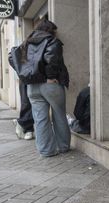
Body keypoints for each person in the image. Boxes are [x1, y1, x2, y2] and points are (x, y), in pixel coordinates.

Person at [9, 19, 70, 157]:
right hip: (50, 85)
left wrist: (23, 74)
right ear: (49, 30)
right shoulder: (52, 41)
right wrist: (50, 76)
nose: (56, 33)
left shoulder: (26, 43)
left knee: (40, 119)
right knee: (59, 115)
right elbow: (52, 59)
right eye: (54, 31)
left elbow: (12, 57)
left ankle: (46, 151)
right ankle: (63, 146)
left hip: (31, 87)